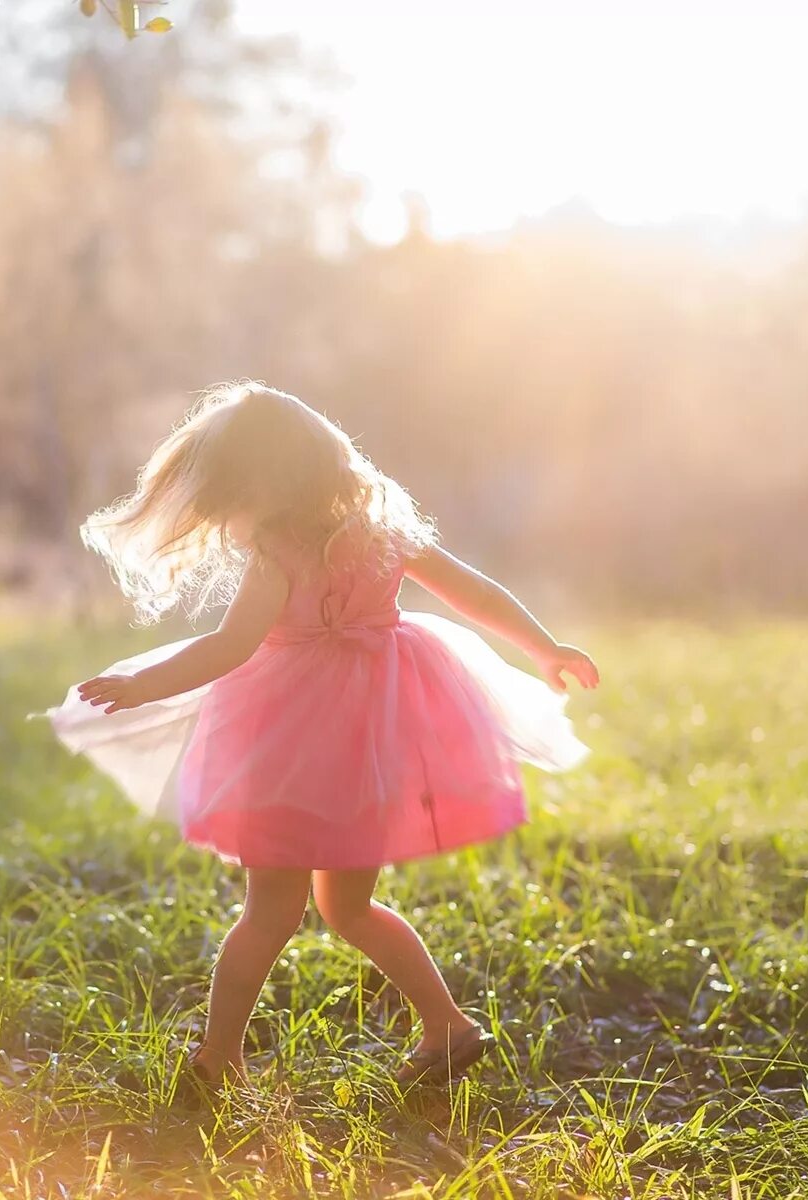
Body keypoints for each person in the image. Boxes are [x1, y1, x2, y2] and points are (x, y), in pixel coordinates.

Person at [49, 381, 597, 1088]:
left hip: (292, 745)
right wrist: (545, 647)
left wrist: (141, 686)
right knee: (349, 906)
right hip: (370, 742)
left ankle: (219, 1060)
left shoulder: (279, 553)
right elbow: (475, 593)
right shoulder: (383, 531)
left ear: (256, 487)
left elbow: (229, 648)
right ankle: (448, 1026)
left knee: (268, 911)